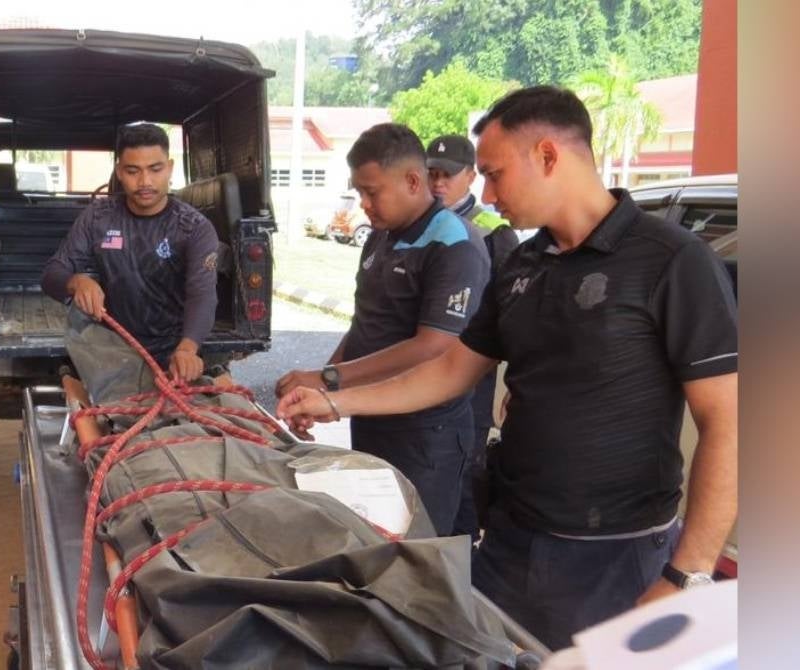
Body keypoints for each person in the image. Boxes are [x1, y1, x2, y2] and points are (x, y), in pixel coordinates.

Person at [277, 86, 737, 650]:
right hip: (511, 541)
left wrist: (686, 575)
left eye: (494, 174)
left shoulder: (673, 261)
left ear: (548, 156)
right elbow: (449, 371)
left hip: (617, 556)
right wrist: (334, 400)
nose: (487, 194)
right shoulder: (522, 265)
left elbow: (728, 422)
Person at [275, 123, 491, 536]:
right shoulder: (380, 238)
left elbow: (433, 346)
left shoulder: (454, 243)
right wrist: (323, 392)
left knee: (420, 549)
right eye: (359, 193)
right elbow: (365, 325)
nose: (364, 205)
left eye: (372, 192)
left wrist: (330, 379)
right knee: (377, 535)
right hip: (372, 417)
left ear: (413, 180)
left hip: (427, 433)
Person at [42, 123, 219, 384]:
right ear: (119, 172)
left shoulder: (193, 228)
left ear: (169, 168)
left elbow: (202, 295)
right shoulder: (98, 216)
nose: (145, 181)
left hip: (172, 351)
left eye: (155, 169)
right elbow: (51, 275)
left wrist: (187, 349)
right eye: (133, 171)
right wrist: (76, 282)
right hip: (111, 347)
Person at [426, 134, 520, 539]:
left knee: (462, 478)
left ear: (469, 176)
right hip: (425, 379)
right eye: (431, 174)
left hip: (470, 382)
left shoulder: (494, 234)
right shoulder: (424, 226)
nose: (438, 183)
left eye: (448, 175)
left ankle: (461, 567)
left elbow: (509, 317)